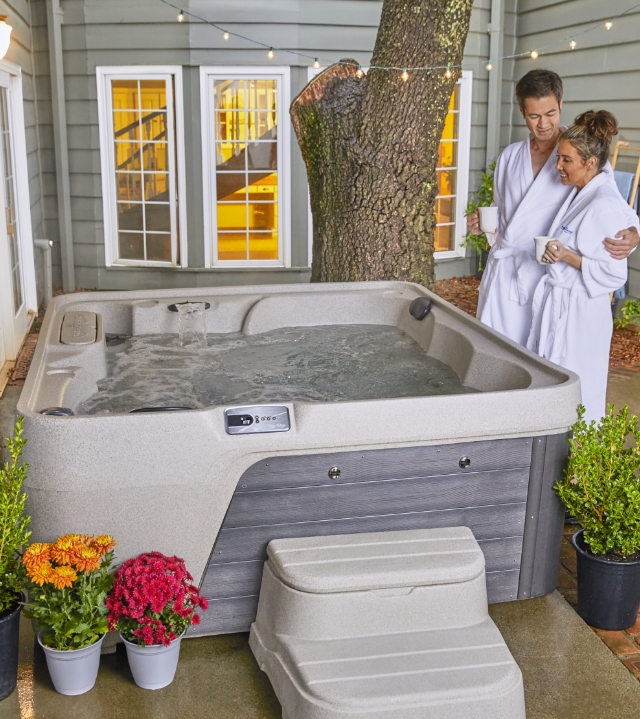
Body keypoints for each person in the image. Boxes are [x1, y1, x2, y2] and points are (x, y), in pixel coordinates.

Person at [468, 70, 639, 346]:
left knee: (530, 360)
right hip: (503, 273)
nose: (544, 124)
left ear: (560, 105)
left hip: (543, 276)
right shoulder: (510, 157)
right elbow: (505, 211)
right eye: (534, 116)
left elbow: (615, 206)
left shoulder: (580, 156)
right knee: (491, 352)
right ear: (523, 111)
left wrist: (634, 232)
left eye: (550, 113)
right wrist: (483, 221)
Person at [526, 111, 640, 423]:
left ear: (590, 163)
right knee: (559, 390)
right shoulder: (585, 190)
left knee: (579, 395)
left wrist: (567, 257)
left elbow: (613, 274)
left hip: (580, 316)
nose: (558, 166)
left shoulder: (601, 202)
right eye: (559, 158)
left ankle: (575, 465)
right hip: (562, 302)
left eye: (566, 160)